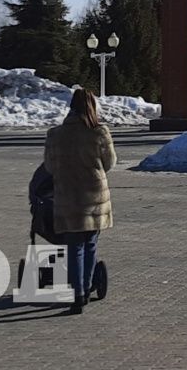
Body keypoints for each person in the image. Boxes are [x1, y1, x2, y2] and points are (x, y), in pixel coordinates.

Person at [44, 87, 116, 313]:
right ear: (92, 106)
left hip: (67, 195)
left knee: (74, 246)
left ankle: (78, 294)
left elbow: (49, 166)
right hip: (94, 195)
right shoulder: (99, 132)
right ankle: (88, 285)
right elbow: (110, 162)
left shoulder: (55, 134)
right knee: (90, 243)